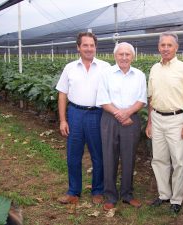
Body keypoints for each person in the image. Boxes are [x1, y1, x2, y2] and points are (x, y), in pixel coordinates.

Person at [145, 32, 183, 214]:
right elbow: (151, 98)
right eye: (163, 45)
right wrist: (150, 122)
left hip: (178, 120)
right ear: (158, 47)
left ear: (176, 48)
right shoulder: (154, 69)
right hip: (158, 119)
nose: (166, 48)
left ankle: (176, 199)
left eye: (169, 45)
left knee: (179, 161)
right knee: (159, 159)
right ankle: (164, 195)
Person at [56, 32, 110, 205]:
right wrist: (63, 120)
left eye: (92, 45)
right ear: (78, 47)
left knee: (98, 155)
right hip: (75, 114)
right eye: (85, 45)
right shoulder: (70, 68)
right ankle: (73, 192)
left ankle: (98, 191)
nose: (89, 48)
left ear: (96, 47)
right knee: (73, 155)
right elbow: (62, 94)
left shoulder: (105, 67)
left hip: (98, 114)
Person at [96, 42, 147, 211]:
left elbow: (142, 99)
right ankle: (110, 195)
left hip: (131, 120)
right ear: (115, 56)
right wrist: (120, 114)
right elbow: (103, 99)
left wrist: (128, 113)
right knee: (109, 157)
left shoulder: (139, 75)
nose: (124, 57)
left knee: (129, 157)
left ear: (133, 56)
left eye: (127, 54)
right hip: (110, 118)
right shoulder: (106, 73)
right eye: (121, 54)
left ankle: (127, 194)